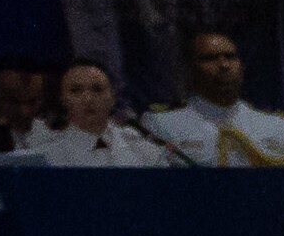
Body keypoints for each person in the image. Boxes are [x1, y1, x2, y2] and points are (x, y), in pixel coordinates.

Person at [142, 31, 284, 167]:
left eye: (230, 57)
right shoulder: (162, 124)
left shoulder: (276, 126)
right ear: (190, 70)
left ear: (242, 66)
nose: (224, 65)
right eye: (210, 58)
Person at [16, 60, 192, 168]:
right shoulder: (46, 157)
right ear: (63, 99)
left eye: (97, 89)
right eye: (76, 91)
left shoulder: (144, 149)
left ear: (112, 98)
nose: (88, 98)